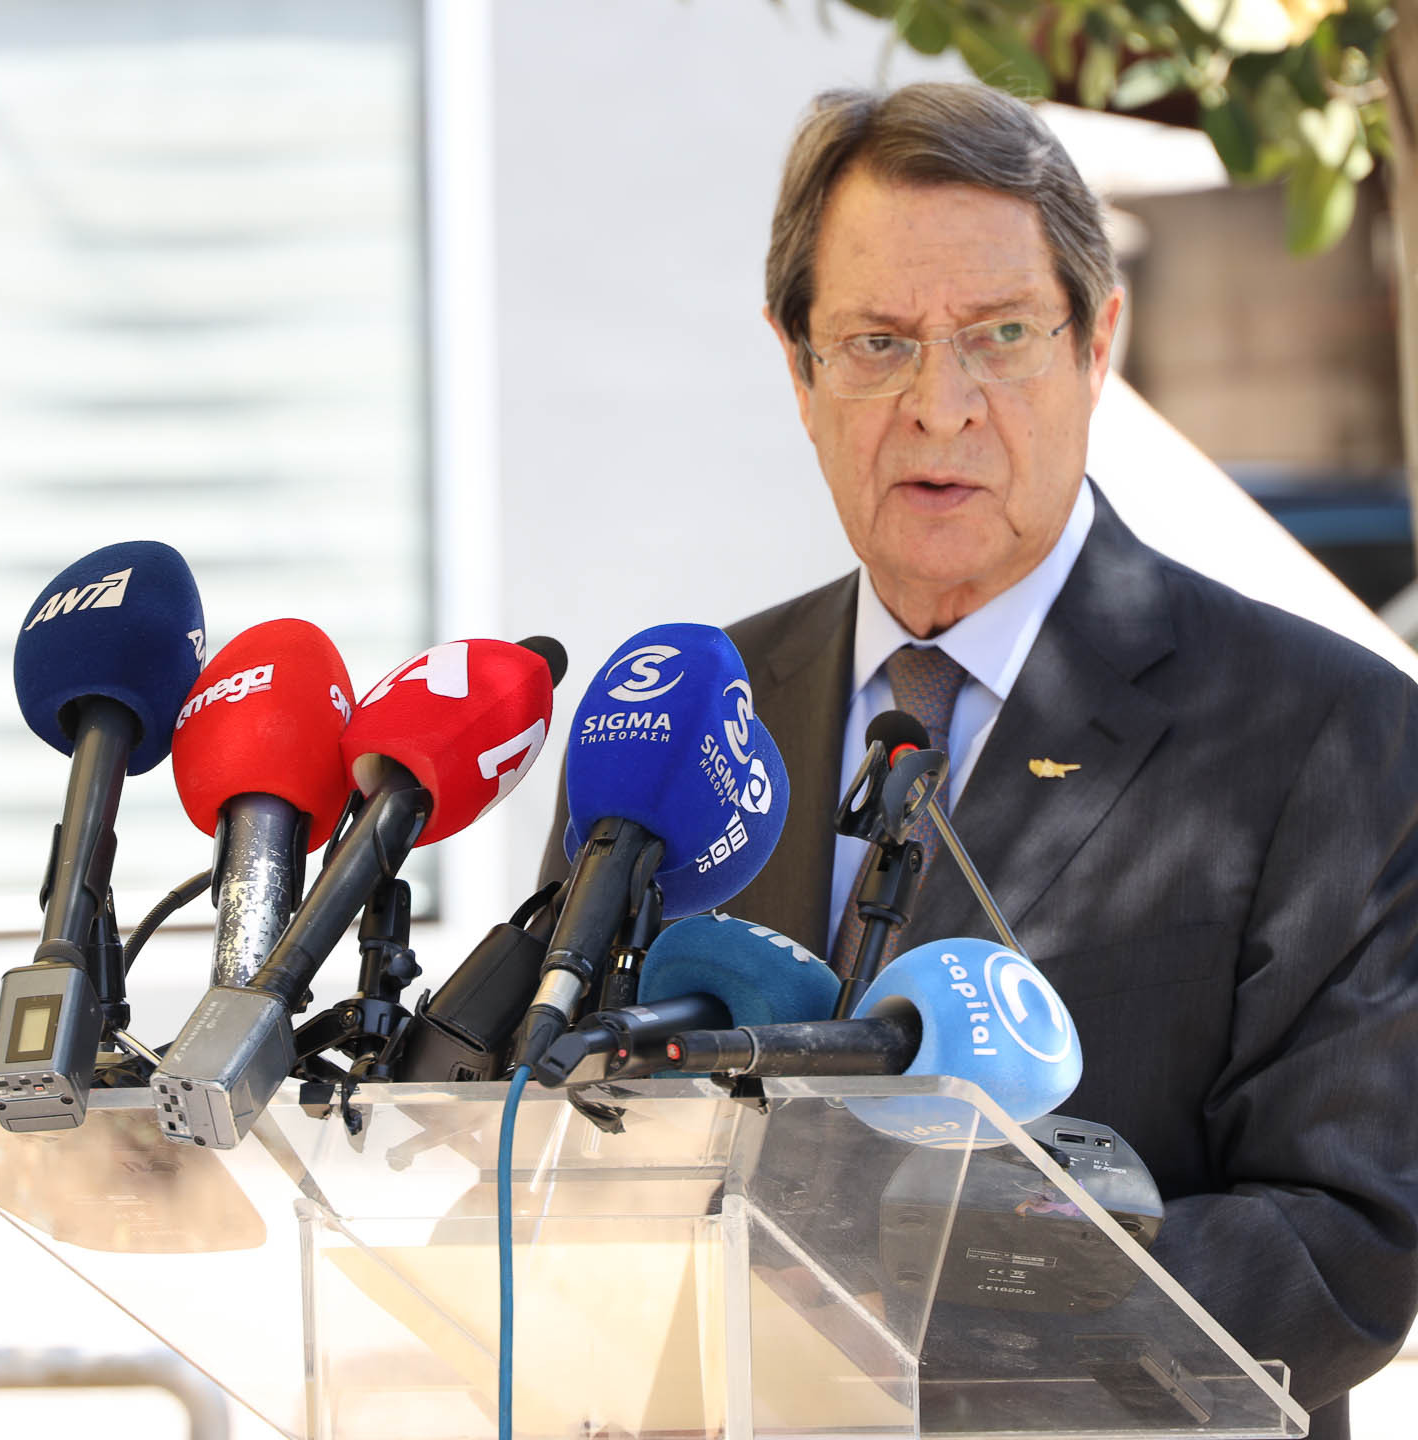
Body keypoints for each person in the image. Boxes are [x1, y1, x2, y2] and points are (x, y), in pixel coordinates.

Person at [541, 81, 1418, 1439]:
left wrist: (912, 1318)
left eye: (1000, 335)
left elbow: (1345, 1250)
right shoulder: (678, 715)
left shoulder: (1327, 731)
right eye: (878, 342)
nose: (940, 406)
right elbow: (557, 1123)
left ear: (1098, 342)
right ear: (799, 370)